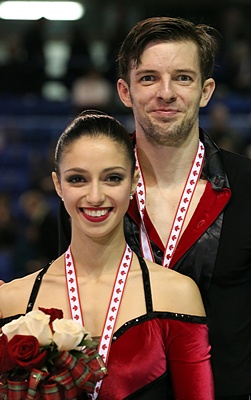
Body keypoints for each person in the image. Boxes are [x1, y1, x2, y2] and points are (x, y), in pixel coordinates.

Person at [59, 17, 251, 400]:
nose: (166, 93)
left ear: (206, 91)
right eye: (149, 78)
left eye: (183, 78)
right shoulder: (90, 190)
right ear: (125, 91)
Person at [0, 111, 214, 399]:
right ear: (57, 184)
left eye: (112, 178)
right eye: (78, 179)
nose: (96, 196)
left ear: (135, 180)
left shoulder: (177, 294)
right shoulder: (12, 301)